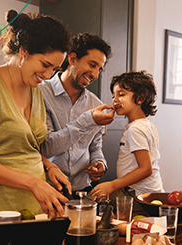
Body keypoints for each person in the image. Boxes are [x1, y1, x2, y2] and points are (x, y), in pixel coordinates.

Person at [0, 10, 72, 223]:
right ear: (24, 51)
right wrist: (34, 183)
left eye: (55, 69)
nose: (48, 76)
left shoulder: (35, 90)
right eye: (45, 65)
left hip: (31, 209)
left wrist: (48, 165)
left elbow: (21, 147)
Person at [39, 33, 115, 195]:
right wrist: (87, 120)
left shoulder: (96, 105)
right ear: (72, 59)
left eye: (99, 69)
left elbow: (95, 147)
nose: (95, 75)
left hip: (83, 192)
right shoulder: (40, 94)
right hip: (48, 190)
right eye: (92, 65)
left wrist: (99, 163)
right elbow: (46, 147)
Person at [91, 71, 164, 200]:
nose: (115, 100)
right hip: (147, 193)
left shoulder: (135, 129)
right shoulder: (146, 125)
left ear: (140, 98)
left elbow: (146, 169)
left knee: (90, 201)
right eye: (113, 95)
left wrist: (112, 185)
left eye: (121, 94)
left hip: (137, 194)